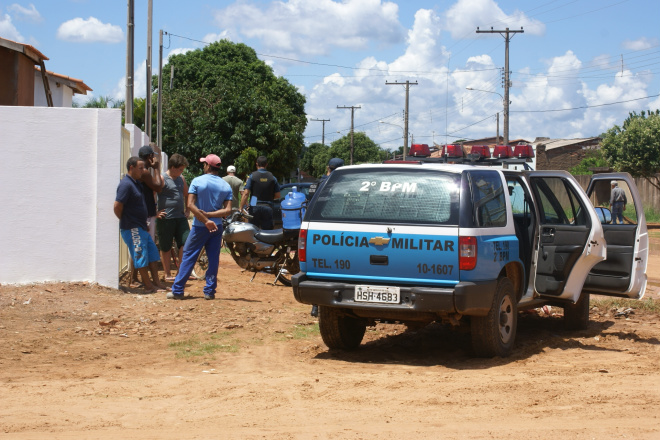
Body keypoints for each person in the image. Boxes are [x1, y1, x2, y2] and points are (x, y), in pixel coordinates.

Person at [169, 154, 233, 300]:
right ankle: (209, 291)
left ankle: (178, 290)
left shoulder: (197, 181)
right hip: (216, 228)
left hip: (199, 227)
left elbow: (190, 205)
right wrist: (210, 216)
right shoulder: (225, 185)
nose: (203, 166)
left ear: (208, 166)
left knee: (188, 256)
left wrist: (205, 219)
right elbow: (228, 210)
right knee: (213, 259)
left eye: (204, 164)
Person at [114, 157, 169, 293]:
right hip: (132, 227)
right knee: (140, 256)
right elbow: (117, 206)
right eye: (141, 168)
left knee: (152, 254)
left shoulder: (136, 183)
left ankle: (156, 283)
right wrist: (127, 220)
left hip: (141, 226)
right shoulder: (126, 184)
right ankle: (149, 286)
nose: (144, 171)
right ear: (131, 168)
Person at [156, 153, 190, 281]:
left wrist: (187, 210)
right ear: (173, 167)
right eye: (180, 169)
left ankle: (181, 272)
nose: (182, 172)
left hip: (180, 218)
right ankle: (167, 274)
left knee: (185, 242)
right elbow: (153, 195)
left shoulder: (181, 179)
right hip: (166, 218)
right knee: (166, 246)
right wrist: (155, 213)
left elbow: (187, 194)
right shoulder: (162, 178)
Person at [239, 155, 281, 230]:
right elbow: (278, 195)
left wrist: (240, 208)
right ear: (266, 164)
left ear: (256, 164)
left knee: (253, 231)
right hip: (268, 207)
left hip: (254, 206)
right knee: (267, 233)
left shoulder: (252, 176)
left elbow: (246, 193)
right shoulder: (272, 177)